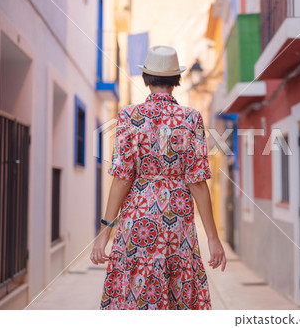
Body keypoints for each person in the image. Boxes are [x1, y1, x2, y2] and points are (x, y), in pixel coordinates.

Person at [91, 45, 226, 310]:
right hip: (177, 220)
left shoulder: (129, 116)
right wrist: (212, 237)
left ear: (146, 79)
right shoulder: (191, 119)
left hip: (138, 221)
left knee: (138, 289)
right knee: (178, 288)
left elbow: (122, 178)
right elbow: (197, 182)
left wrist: (105, 231)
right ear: (177, 80)